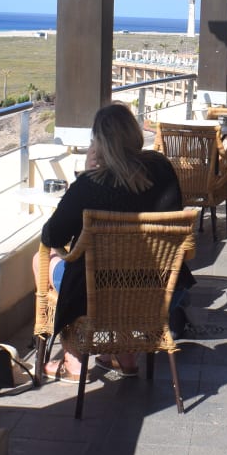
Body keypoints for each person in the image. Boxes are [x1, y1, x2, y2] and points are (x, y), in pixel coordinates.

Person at [40, 102, 193, 381]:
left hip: (98, 295)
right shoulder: (162, 169)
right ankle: (124, 354)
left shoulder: (91, 185)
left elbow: (53, 236)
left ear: (99, 143)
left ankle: (74, 361)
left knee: (43, 260)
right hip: (158, 291)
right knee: (124, 272)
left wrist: (87, 174)